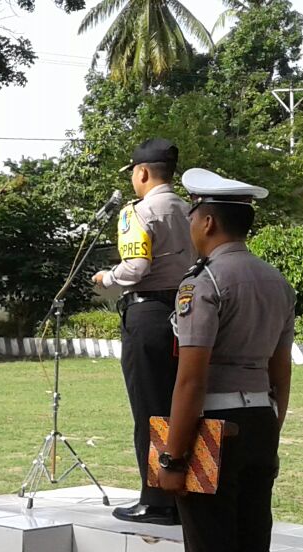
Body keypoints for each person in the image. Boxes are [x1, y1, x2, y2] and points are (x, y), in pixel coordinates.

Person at [152, 168, 293, 552]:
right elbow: (281, 372)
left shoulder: (203, 283)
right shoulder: (275, 281)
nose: (190, 224)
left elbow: (191, 380)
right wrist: (269, 431)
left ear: (207, 220)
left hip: (212, 430)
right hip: (260, 424)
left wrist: (172, 455)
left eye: (192, 216)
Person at [93, 138, 197, 527]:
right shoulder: (191, 210)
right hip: (185, 312)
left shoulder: (136, 212)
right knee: (181, 405)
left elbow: (135, 268)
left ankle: (156, 498)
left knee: (149, 407)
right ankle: (186, 490)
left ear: (141, 173)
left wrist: (107, 278)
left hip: (149, 314)